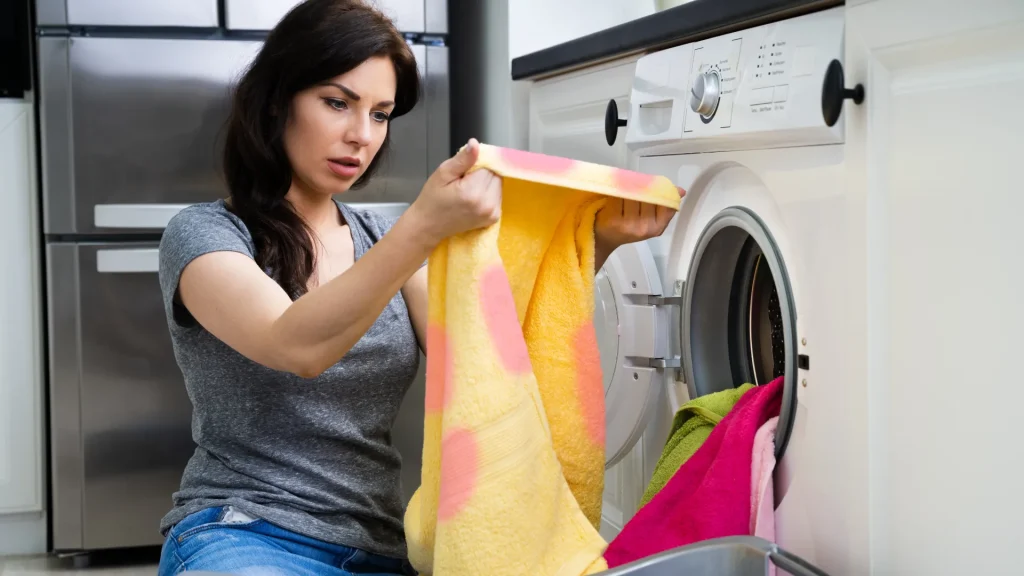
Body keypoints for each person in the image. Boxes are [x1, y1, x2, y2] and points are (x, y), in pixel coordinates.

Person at [155, 1, 676, 575]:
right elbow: (294, 346)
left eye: (380, 114)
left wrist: (597, 244)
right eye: (337, 103)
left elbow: (488, 347)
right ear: (277, 101)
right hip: (245, 533)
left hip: (380, 548)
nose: (361, 135)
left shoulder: (384, 235)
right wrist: (423, 228)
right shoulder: (204, 234)